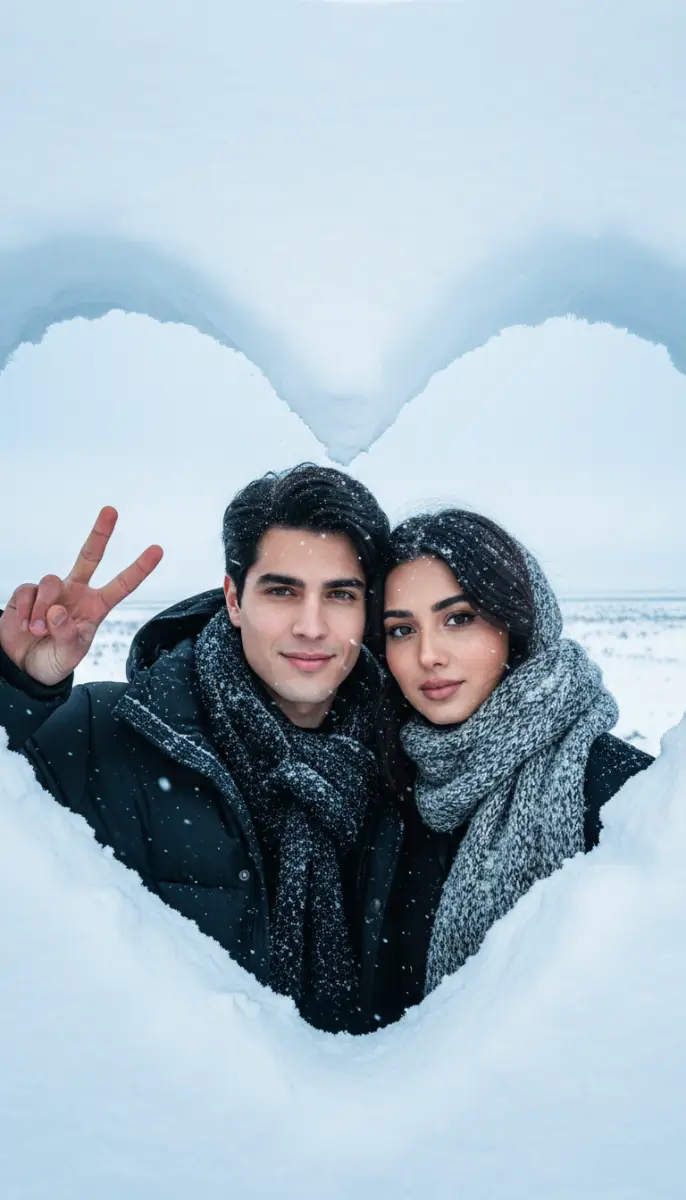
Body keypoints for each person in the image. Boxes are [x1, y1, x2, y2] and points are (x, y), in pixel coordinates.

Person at [0, 463, 403, 1034]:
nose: (311, 626)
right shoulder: (105, 734)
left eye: (339, 594)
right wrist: (14, 686)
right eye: (282, 591)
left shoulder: (404, 764)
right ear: (234, 600)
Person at [375, 508, 654, 1011]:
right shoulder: (390, 789)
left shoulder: (621, 792)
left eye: (458, 618)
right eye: (401, 629)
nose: (428, 655)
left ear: (518, 623)